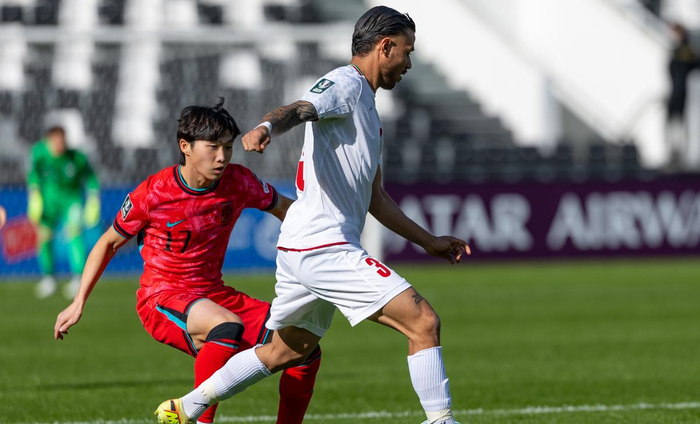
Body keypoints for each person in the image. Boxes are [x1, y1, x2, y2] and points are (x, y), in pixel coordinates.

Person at [157, 7, 469, 424]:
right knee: (423, 322)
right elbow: (301, 108)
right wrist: (267, 128)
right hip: (324, 245)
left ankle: (186, 407)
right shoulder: (346, 83)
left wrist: (428, 241)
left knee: (283, 351)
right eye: (406, 51)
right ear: (385, 47)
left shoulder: (369, 111)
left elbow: (375, 198)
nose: (409, 63)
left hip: (306, 245)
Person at [54, 99, 321, 424]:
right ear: (185, 146)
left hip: (214, 294)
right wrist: (78, 302)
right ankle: (197, 419)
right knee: (226, 327)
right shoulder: (153, 193)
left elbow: (287, 210)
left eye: (228, 147)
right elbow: (108, 242)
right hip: (161, 297)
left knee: (303, 347)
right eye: (213, 147)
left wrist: (326, 233)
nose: (222, 156)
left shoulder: (239, 181)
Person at [27, 126, 100, 299]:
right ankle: (49, 278)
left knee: (74, 234)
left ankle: (78, 278)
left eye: (62, 140)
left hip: (71, 201)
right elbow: (33, 175)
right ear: (48, 140)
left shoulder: (76, 158)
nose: (59, 144)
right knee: (44, 236)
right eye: (56, 140)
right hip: (48, 202)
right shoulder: (39, 154)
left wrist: (93, 198)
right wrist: (34, 195)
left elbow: (90, 178)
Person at [666, 22, 699, 167]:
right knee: (676, 126)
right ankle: (676, 154)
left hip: (682, 96)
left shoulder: (684, 52)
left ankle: (680, 155)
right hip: (679, 95)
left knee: (681, 125)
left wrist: (676, 95)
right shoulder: (680, 50)